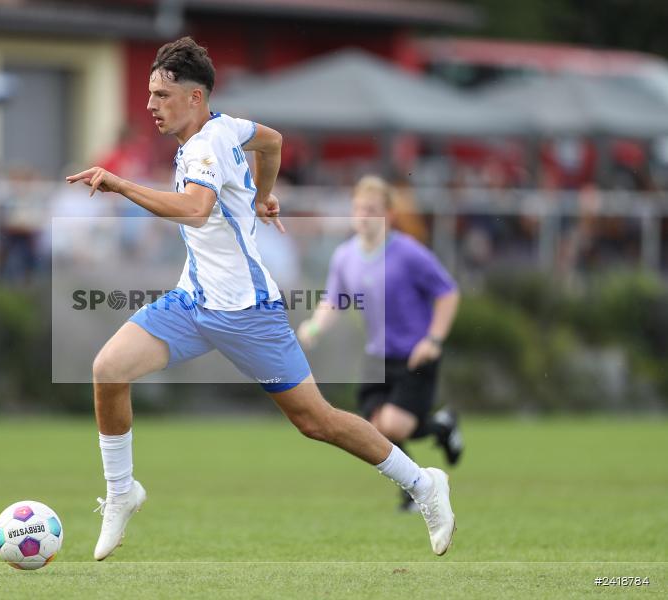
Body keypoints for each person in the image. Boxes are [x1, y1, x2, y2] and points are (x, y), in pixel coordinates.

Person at [66, 38, 455, 561]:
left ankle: (424, 483)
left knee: (317, 421)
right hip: (192, 302)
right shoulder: (227, 126)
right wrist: (262, 194)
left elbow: (196, 210)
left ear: (196, 96)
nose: (151, 105)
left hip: (249, 314)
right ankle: (121, 492)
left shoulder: (206, 144)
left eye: (161, 94)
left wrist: (120, 184)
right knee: (108, 369)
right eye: (149, 94)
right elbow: (270, 141)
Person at [298, 175, 464, 512]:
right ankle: (426, 461)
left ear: (388, 213)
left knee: (392, 425)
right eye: (358, 208)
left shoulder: (409, 253)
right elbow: (334, 299)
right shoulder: (345, 255)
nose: (363, 216)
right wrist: (315, 326)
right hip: (377, 356)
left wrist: (433, 339)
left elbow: (447, 292)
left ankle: (432, 452)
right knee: (375, 429)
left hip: (415, 355)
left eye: (371, 209)